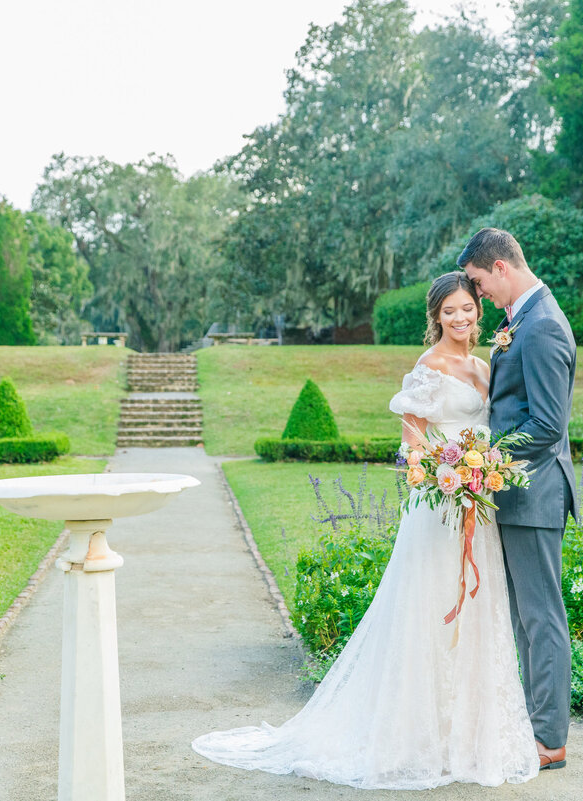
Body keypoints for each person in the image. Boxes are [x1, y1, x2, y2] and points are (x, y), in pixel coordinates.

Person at [191, 271, 540, 790]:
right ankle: (412, 737)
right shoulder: (428, 368)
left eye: (467, 308)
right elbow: (412, 448)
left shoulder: (484, 367)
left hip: (476, 510)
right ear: (436, 317)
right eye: (449, 312)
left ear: (478, 310)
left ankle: (463, 738)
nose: (460, 318)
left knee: (473, 616)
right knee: (428, 612)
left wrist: (479, 474)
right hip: (438, 510)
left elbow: (489, 430)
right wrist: (449, 475)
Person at [460, 228, 578, 771]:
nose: (480, 296)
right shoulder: (522, 321)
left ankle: (549, 739)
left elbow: (549, 425)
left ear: (501, 268)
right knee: (522, 618)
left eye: (481, 284)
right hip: (514, 492)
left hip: (534, 493)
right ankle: (531, 724)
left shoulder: (544, 326)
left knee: (541, 617)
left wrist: (484, 458)